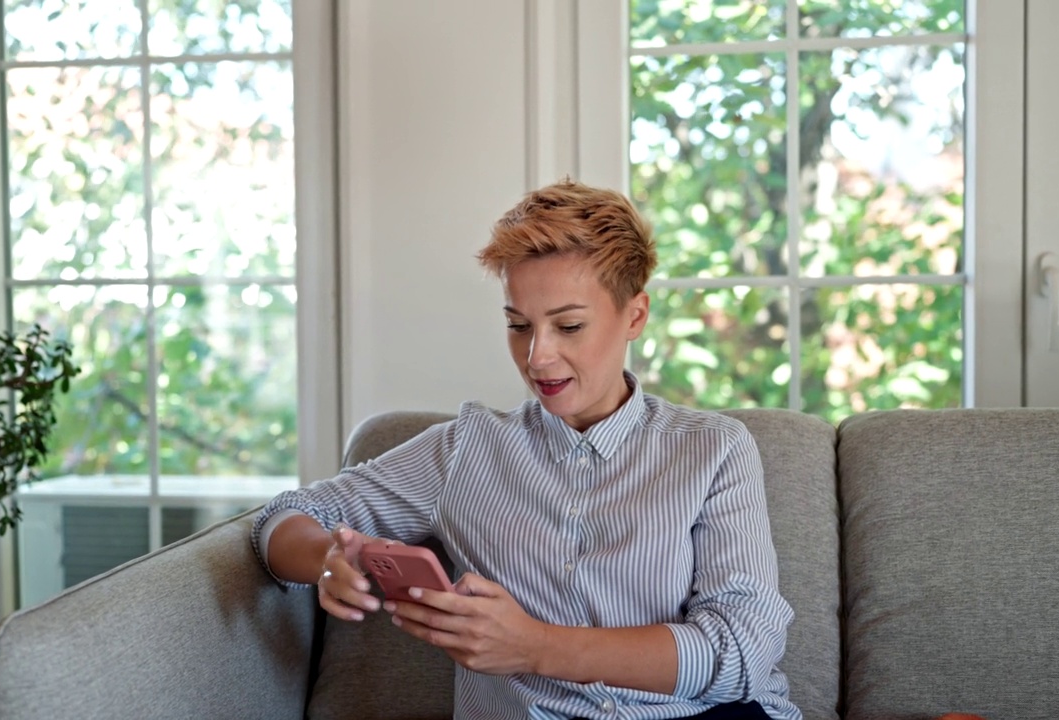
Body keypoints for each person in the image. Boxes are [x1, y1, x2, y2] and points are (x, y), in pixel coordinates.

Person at [251, 180, 800, 720]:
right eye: (519, 326)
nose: (537, 358)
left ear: (635, 315)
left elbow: (742, 648)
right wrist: (325, 559)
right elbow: (282, 519)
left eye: (569, 325)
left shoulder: (713, 450)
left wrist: (536, 646)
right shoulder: (466, 450)